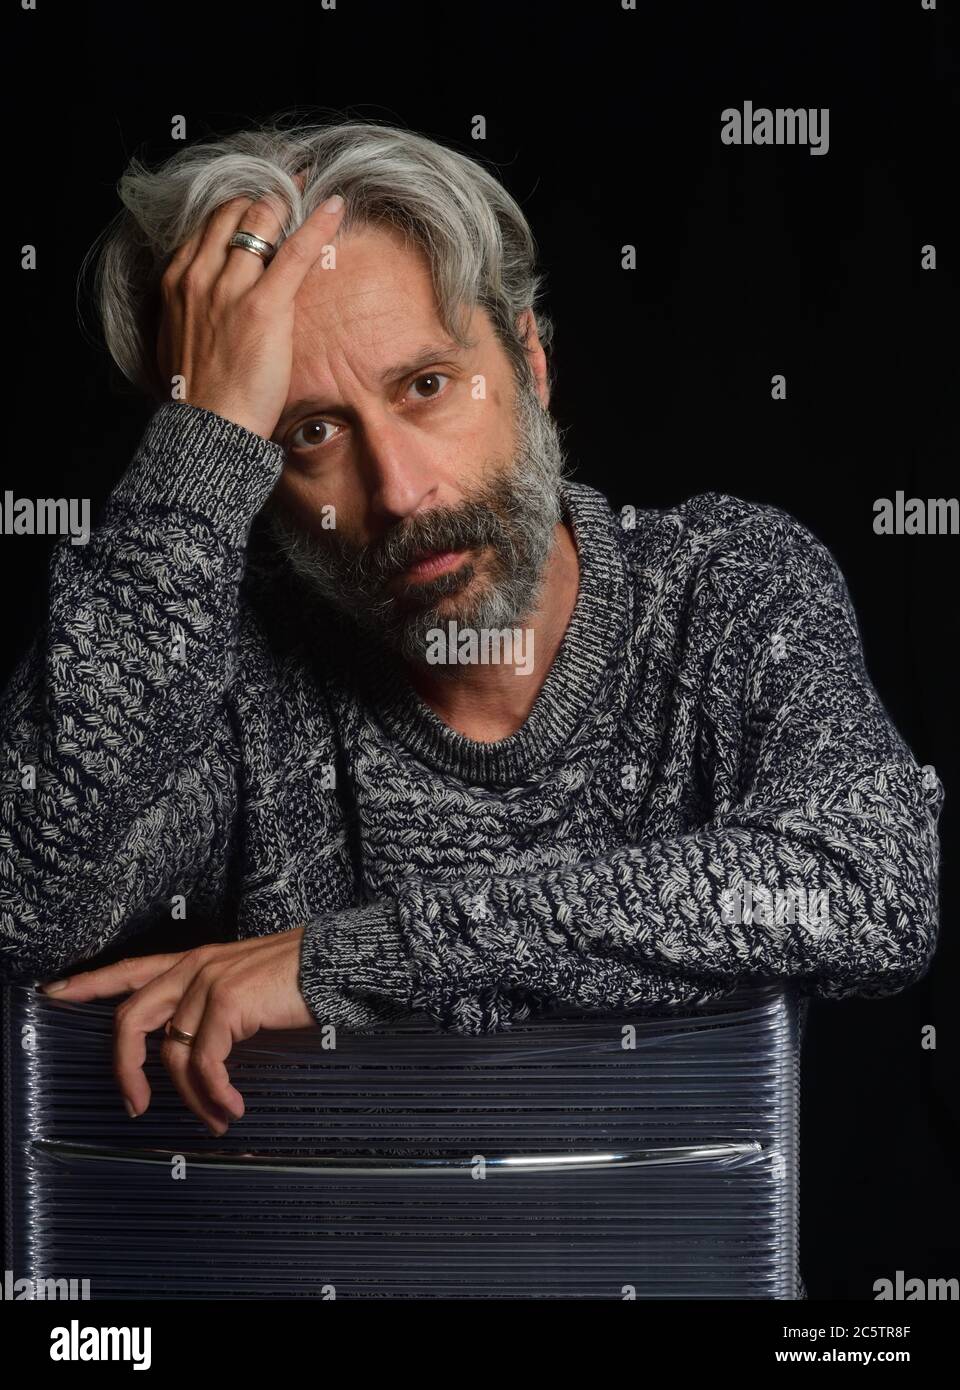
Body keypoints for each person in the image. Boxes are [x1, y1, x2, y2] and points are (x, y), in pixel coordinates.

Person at [0, 119, 943, 1141]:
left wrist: (353, 958)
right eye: (309, 433)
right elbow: (23, 899)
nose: (401, 492)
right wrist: (201, 442)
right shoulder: (237, 683)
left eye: (426, 386)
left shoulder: (729, 588)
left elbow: (869, 883)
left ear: (530, 364)